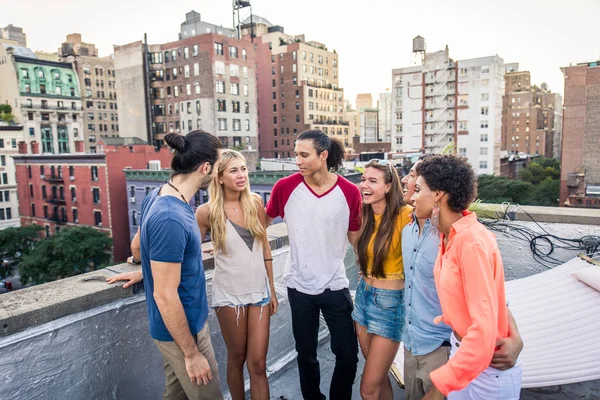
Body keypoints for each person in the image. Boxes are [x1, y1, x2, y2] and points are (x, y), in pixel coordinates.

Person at [400, 155, 524, 400]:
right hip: (460, 352)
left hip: (487, 369)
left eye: (420, 188)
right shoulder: (449, 236)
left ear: (438, 194)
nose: (413, 196)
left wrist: (438, 390)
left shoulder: (471, 242)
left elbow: (484, 329)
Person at [265, 130, 361, 400]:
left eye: (303, 155)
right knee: (306, 354)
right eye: (296, 154)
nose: (297, 160)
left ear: (323, 156)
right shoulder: (284, 187)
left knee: (348, 353)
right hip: (299, 285)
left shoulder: (350, 192)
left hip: (335, 284)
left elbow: (356, 238)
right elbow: (260, 224)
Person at [135, 130, 223, 400]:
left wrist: (149, 270)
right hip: (183, 332)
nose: (217, 174)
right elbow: (164, 293)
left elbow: (137, 249)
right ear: (205, 168)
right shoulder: (171, 217)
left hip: (184, 325)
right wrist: (192, 353)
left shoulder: (159, 194)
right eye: (217, 167)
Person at [195, 149, 277, 400]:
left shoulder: (255, 202)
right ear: (219, 177)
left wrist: (272, 289)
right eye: (233, 170)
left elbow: (264, 247)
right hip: (229, 294)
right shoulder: (207, 212)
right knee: (237, 357)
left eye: (243, 169)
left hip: (259, 293)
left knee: (258, 364)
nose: (241, 175)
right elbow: (189, 254)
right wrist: (144, 271)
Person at [352, 159, 413, 400]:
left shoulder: (406, 216)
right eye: (363, 179)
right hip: (363, 297)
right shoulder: (365, 214)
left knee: (367, 389)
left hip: (390, 305)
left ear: (388, 186)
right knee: (379, 379)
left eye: (372, 181)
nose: (364, 185)